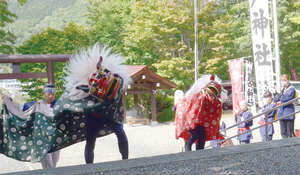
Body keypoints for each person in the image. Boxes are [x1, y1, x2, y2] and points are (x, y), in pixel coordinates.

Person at [53, 43, 132, 164]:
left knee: (121, 135)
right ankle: (89, 167)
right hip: (94, 118)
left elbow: (119, 84)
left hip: (111, 115)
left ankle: (126, 161)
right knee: (90, 143)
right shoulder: (86, 91)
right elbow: (73, 100)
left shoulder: (116, 81)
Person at [1, 83, 60, 169]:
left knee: (54, 163)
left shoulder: (58, 105)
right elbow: (21, 106)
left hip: (55, 138)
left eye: (53, 94)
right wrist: (8, 99)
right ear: (44, 94)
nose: (51, 96)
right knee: (47, 163)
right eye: (48, 94)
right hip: (43, 139)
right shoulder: (37, 104)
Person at [175, 74, 226, 151]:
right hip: (193, 119)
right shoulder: (199, 96)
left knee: (201, 135)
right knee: (195, 134)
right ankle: (189, 148)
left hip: (200, 120)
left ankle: (198, 151)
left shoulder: (202, 96)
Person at [273, 74, 296, 138]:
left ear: (288, 80)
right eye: (282, 81)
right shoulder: (282, 88)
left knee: (290, 132)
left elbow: (284, 99)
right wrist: (275, 93)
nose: (283, 82)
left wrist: (279, 92)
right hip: (282, 112)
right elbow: (276, 99)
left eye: (285, 81)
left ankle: (291, 145)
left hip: (289, 112)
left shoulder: (291, 89)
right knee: (283, 132)